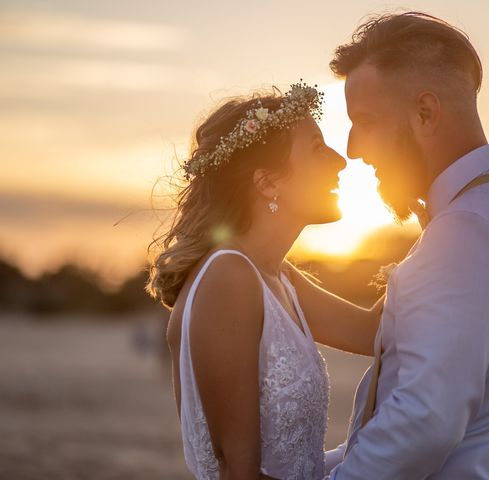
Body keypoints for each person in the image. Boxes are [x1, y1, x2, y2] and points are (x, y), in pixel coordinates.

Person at [321, 12, 489, 479]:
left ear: (425, 113)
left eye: (365, 121)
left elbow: (424, 422)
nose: (353, 148)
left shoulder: (468, 230)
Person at [146, 83, 382, 480]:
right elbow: (239, 470)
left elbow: (373, 331)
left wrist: (440, 226)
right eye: (316, 149)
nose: (339, 161)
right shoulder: (229, 278)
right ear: (268, 182)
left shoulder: (277, 276)